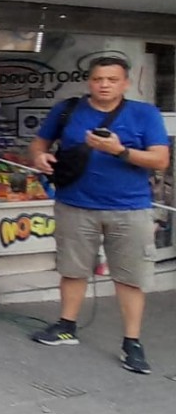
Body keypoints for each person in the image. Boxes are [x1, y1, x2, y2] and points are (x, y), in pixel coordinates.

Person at [28, 56, 170, 374]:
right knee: (72, 269)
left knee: (129, 277)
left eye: (112, 79)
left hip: (129, 209)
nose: (104, 85)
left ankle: (132, 342)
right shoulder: (68, 110)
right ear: (89, 82)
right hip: (74, 204)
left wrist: (119, 151)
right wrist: (40, 157)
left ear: (125, 83)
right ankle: (66, 326)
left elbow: (160, 160)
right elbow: (39, 143)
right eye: (98, 79)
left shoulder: (144, 113)